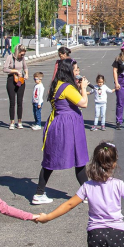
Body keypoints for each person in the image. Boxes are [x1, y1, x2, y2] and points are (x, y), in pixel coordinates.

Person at [33, 58, 90, 205]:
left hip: (62, 123)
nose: (78, 72)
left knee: (71, 159)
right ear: (69, 71)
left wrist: (78, 88)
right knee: (74, 158)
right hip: (67, 125)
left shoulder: (58, 84)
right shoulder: (66, 87)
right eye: (76, 69)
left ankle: (86, 192)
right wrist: (83, 88)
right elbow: (83, 103)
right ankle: (39, 193)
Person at [3, 44, 29, 130]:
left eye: (23, 54)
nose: (22, 56)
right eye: (21, 54)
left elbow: (25, 67)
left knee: (20, 102)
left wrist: (26, 74)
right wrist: (15, 71)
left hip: (20, 80)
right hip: (11, 80)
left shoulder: (22, 59)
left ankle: (20, 121)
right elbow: (5, 69)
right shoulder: (10, 57)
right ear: (17, 52)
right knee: (12, 102)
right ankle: (12, 122)